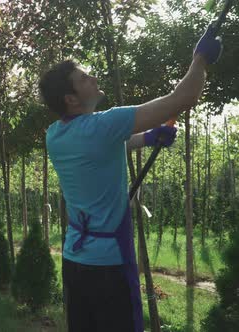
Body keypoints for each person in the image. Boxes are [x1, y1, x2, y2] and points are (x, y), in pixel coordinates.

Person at [40, 25, 222, 332]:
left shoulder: (56, 135)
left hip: (75, 259)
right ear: (71, 99)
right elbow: (184, 97)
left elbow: (101, 145)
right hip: (108, 266)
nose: (93, 77)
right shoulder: (105, 124)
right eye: (85, 78)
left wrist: (147, 137)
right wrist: (200, 60)